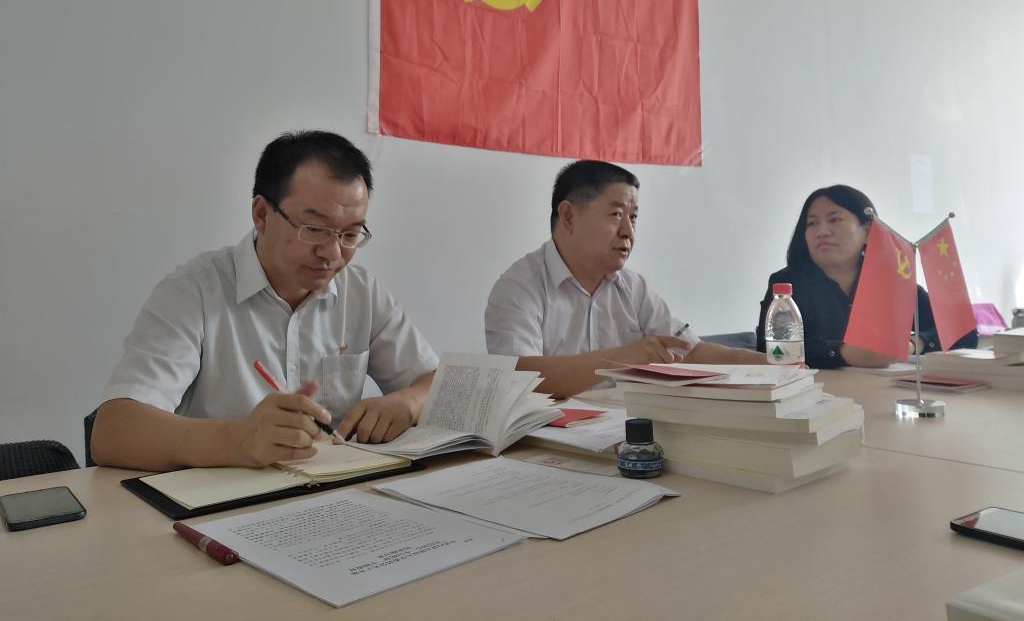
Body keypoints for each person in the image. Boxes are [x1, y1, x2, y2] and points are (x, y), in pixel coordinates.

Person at [91, 131, 437, 471]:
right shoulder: (194, 292)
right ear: (261, 214)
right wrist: (240, 439)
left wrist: (408, 402)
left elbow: (439, 383)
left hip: (335, 494)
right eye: (314, 229)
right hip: (223, 499)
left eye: (350, 234)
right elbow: (114, 432)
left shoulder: (361, 293)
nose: (333, 253)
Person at [485, 160, 765, 398]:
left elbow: (692, 352)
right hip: (549, 439)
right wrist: (623, 357)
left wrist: (775, 365)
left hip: (624, 433)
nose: (628, 231)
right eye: (616, 214)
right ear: (568, 217)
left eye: (633, 217)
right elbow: (518, 377)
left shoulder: (633, 288)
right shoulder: (519, 287)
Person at [756, 184, 978, 369]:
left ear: (868, 231)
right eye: (812, 223)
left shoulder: (893, 283)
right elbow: (770, 351)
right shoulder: (787, 285)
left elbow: (962, 334)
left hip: (884, 393)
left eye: (835, 220)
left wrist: (912, 344)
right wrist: (843, 353)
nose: (822, 231)